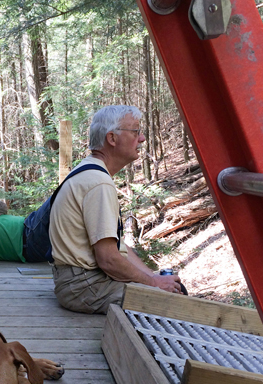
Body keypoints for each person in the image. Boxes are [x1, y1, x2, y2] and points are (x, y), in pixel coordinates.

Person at [49, 104, 181, 314]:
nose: (142, 138)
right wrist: (154, 284)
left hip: (81, 282)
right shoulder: (98, 183)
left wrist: (153, 278)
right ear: (112, 138)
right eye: (136, 131)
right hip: (87, 287)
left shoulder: (89, 171)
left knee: (168, 291)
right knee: (175, 306)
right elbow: (109, 260)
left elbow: (119, 247)